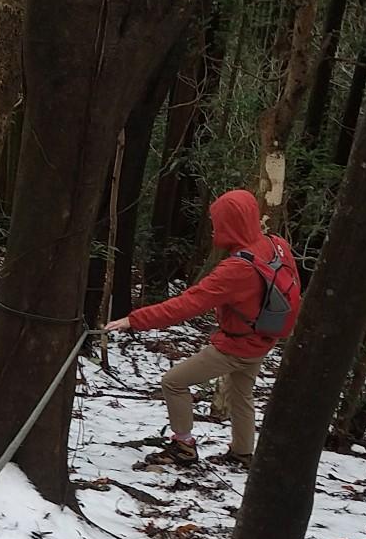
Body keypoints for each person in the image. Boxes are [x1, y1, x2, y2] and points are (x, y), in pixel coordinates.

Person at [104, 188, 301, 466]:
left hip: (237, 346)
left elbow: (187, 305)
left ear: (230, 224)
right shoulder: (276, 243)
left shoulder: (236, 270)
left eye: (217, 223)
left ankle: (183, 446)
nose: (212, 230)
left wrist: (134, 320)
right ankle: (243, 452)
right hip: (264, 339)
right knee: (242, 393)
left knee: (173, 382)